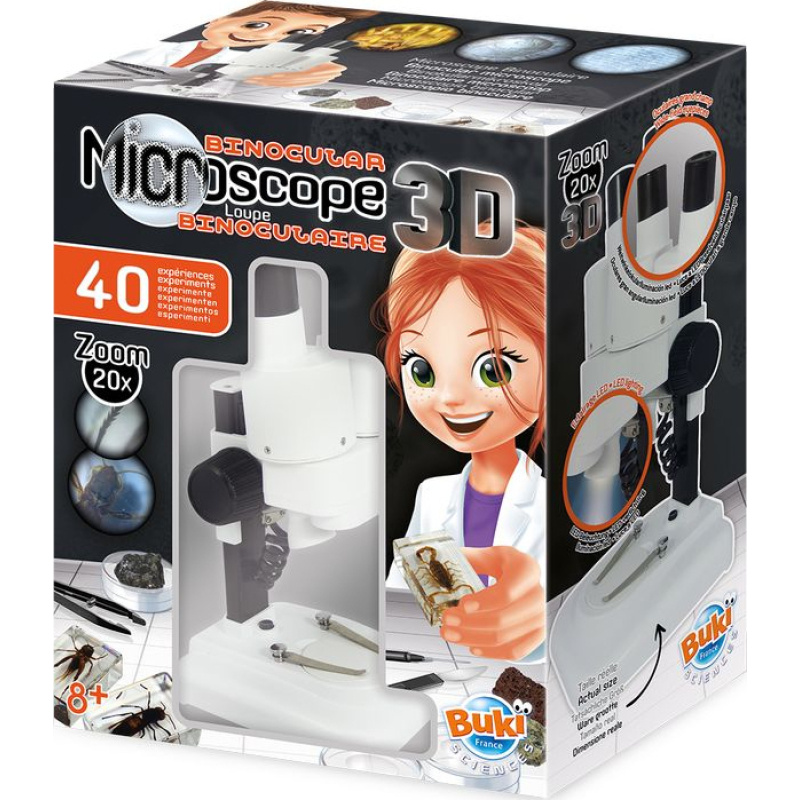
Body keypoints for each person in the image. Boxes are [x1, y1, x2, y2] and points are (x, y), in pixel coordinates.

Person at [375, 224, 547, 662]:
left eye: (494, 370)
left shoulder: (553, 507)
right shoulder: (431, 497)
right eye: (421, 372)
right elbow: (401, 603)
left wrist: (540, 627)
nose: (450, 398)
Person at [119, 3, 376, 88]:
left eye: (300, 33)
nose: (272, 36)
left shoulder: (241, 63)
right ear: (219, 18)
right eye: (257, 24)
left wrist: (271, 80)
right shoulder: (147, 50)